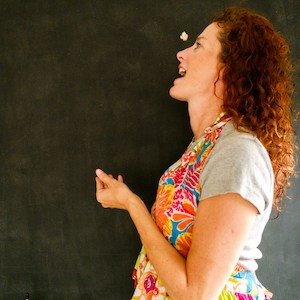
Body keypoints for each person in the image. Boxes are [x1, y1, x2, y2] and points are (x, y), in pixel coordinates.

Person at [95, 6, 297, 300]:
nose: (181, 54)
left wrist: (132, 204)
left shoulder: (236, 151)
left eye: (198, 45)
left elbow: (196, 294)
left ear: (228, 69)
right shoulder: (206, 145)